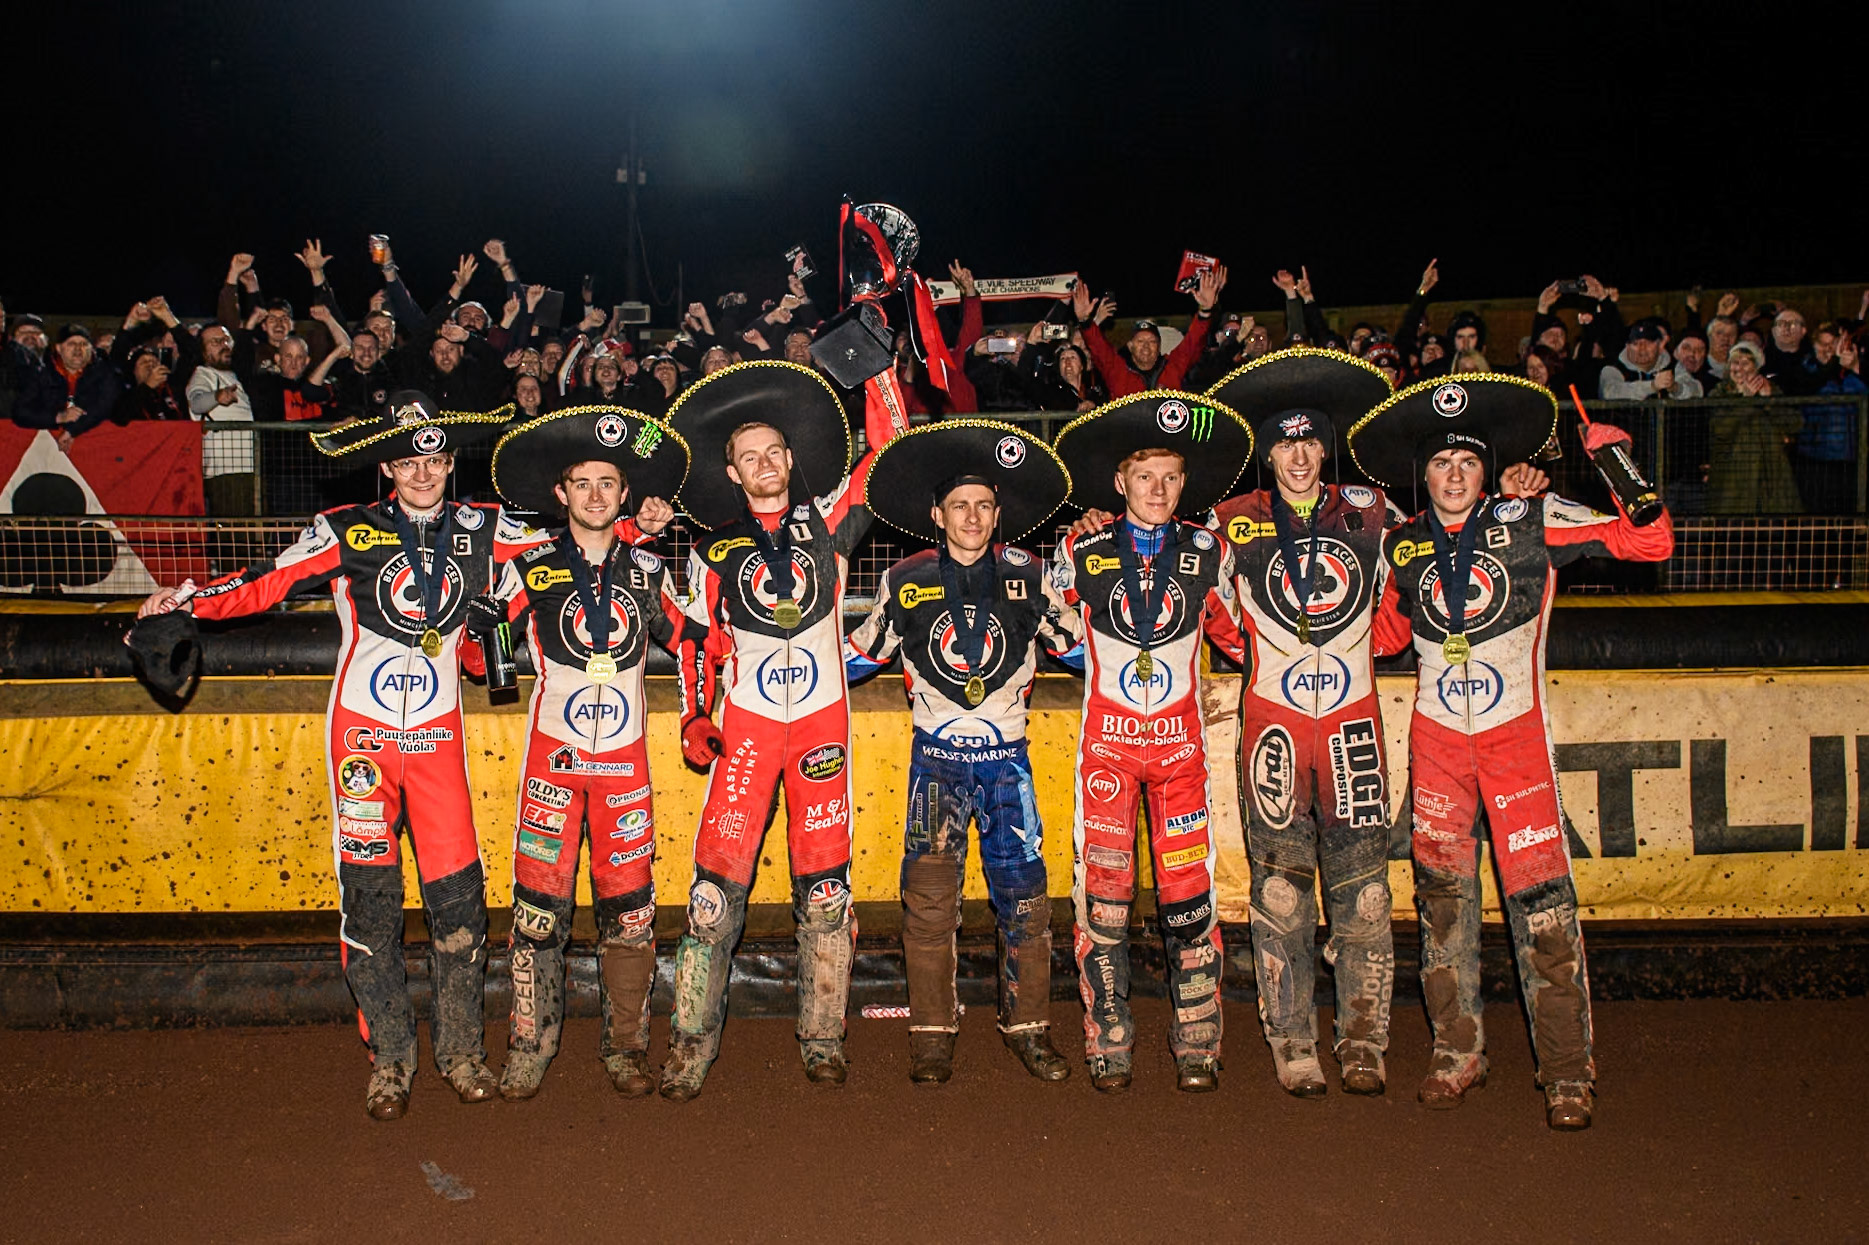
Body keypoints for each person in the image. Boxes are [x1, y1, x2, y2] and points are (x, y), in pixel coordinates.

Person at [131, 392, 599, 1121]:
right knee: (371, 909)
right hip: (363, 746)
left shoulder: (482, 526)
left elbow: (562, 549)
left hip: (439, 747)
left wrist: (497, 615)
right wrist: (185, 600)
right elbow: (266, 581)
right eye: (410, 461)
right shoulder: (346, 528)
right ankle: (390, 1060)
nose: (423, 473)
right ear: (388, 465)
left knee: (460, 911)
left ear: (450, 463)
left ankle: (460, 1053)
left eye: (436, 460)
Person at [1353, 374, 1674, 1131]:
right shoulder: (1401, 544)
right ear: (1421, 475)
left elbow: (1649, 538)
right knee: (1441, 908)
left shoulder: (1530, 518)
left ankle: (1566, 1071)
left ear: (1485, 467)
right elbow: (1384, 639)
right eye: (1440, 464)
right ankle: (1454, 1052)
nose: (1454, 474)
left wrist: (1617, 459)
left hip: (1514, 743)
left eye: (1466, 460)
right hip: (1435, 745)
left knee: (1543, 911)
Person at [659, 359, 898, 1099]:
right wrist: (695, 713)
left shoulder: (827, 522)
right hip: (750, 732)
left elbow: (887, 450)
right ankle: (690, 1046)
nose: (762, 465)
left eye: (772, 452)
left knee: (825, 892)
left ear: (790, 460)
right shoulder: (710, 549)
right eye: (747, 457)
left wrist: (876, 369)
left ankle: (823, 1037)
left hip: (821, 730)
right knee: (712, 894)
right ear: (731, 473)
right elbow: (694, 639)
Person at [469, 406, 701, 1100]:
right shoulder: (530, 566)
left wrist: (696, 714)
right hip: (554, 765)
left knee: (629, 913)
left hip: (625, 769)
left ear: (624, 493)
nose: (596, 494)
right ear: (560, 493)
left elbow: (694, 642)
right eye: (582, 482)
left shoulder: (649, 568)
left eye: (608, 482)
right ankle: (528, 1046)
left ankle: (626, 1048)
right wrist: (485, 642)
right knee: (538, 913)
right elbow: (483, 663)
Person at [847, 421, 1083, 1084]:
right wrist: (783, 670)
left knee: (1026, 900)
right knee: (926, 902)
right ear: (935, 515)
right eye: (959, 506)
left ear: (997, 513)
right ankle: (930, 1032)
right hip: (936, 766)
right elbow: (858, 655)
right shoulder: (905, 579)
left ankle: (1029, 1027)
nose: (972, 517)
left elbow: (1084, 651)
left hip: (1009, 764)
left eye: (983, 505)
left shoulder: (1030, 575)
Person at [1203, 348, 1401, 1097]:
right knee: (1280, 896)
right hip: (1274, 728)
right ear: (1269, 451)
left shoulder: (1373, 511)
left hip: (1352, 728)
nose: (1295, 455)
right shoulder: (1234, 521)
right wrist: (1254, 648)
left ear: (1325, 447)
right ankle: (1291, 1040)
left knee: (1365, 896)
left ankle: (1362, 1039)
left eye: (1307, 441)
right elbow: (1204, 597)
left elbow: (1418, 579)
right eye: (1282, 443)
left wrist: (1378, 641)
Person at [1051, 390, 1250, 1092]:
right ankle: (1107, 1036)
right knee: (1102, 898)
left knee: (1188, 894)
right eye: (1144, 476)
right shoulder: (1079, 545)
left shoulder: (1209, 550)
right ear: (1118, 482)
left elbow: (1241, 639)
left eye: (1169, 475)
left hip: (1180, 756)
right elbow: (1048, 629)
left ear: (1183, 482)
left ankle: (1197, 1039)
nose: (1157, 489)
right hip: (1105, 749)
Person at [1070, 266, 1226, 397]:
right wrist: (1085, 321)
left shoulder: (1172, 367)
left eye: (1152, 342)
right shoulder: (1117, 371)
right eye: (1140, 341)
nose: (1146, 346)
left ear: (1159, 347)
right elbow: (1099, 349)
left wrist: (1205, 311)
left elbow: (1193, 343)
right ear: (1130, 346)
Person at [1599, 320, 1701, 400]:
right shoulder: (1613, 367)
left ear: (1660, 345)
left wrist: (1675, 387)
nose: (1642, 349)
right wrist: (1652, 386)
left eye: (1648, 343)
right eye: (1635, 344)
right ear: (1627, 346)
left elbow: (1697, 389)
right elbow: (1609, 392)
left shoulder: (1673, 366)